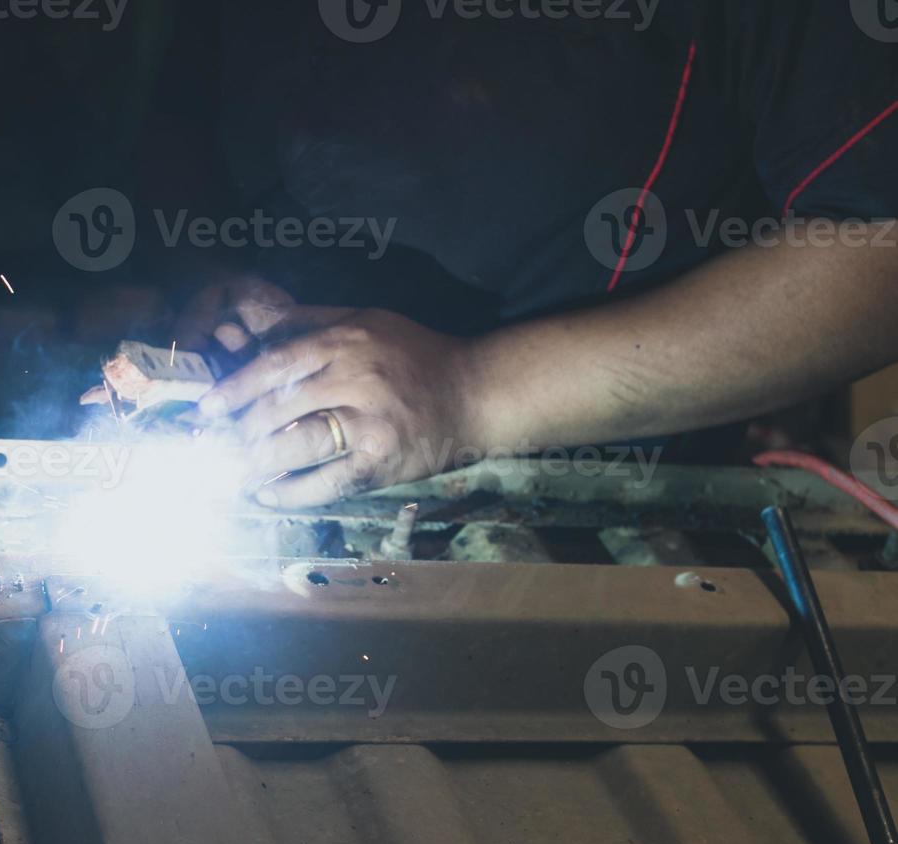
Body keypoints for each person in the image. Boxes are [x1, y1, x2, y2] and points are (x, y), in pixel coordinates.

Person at [142, 1, 898, 508]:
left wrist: (472, 394)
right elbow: (181, 118)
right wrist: (210, 271)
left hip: (586, 500)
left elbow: (880, 251)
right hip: (268, 453)